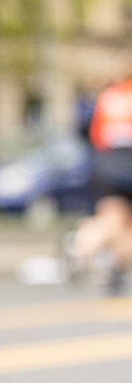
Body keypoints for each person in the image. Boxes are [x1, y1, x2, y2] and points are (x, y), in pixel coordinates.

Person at [68, 76, 132, 293]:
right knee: (118, 222)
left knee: (115, 219)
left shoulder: (110, 95)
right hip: (126, 164)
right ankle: (82, 245)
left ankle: (114, 268)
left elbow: (92, 133)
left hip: (106, 163)